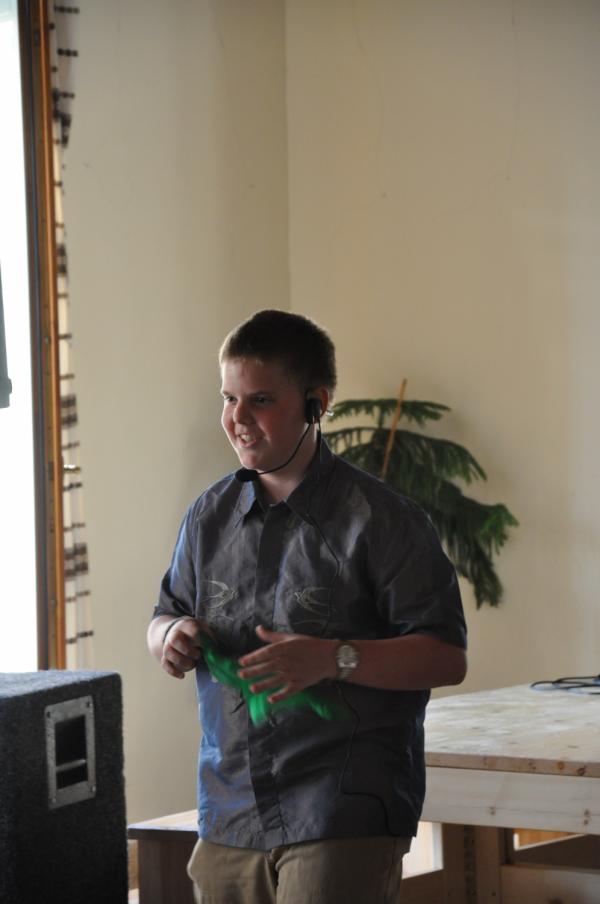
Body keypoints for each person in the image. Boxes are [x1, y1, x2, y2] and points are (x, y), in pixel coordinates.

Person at [147, 309, 467, 904]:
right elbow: (164, 614)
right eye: (229, 398)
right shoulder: (207, 516)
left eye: (261, 400)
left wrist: (333, 658)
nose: (238, 419)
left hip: (340, 810)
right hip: (230, 810)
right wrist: (170, 637)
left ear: (316, 405)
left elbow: (446, 657)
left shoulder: (382, 520)